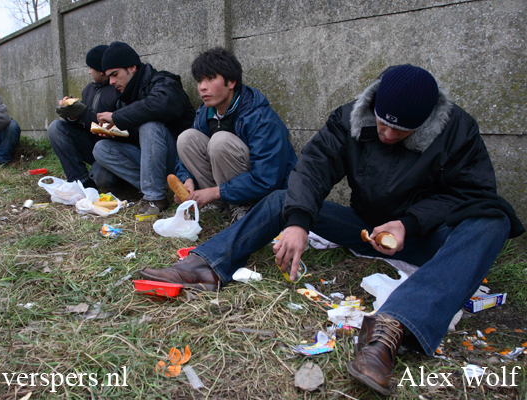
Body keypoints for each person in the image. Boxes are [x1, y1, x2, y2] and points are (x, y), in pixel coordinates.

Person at [139, 65, 524, 395]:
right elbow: (313, 167)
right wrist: (298, 221)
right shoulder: (351, 117)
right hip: (364, 227)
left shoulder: (456, 130)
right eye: (383, 124)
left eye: (401, 131)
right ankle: (207, 265)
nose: (388, 135)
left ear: (426, 124)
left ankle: (391, 330)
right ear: (372, 106)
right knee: (281, 198)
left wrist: (410, 223)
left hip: (427, 236)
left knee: (494, 219)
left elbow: (471, 193)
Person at [173, 47, 297, 220]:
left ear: (231, 82)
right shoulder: (204, 112)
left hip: (266, 195)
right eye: (199, 80)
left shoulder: (259, 117)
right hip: (225, 189)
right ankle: (218, 207)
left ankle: (244, 207)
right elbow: (184, 157)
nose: (202, 87)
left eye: (210, 79)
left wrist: (215, 191)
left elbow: (267, 178)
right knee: (186, 138)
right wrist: (186, 180)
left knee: (220, 141)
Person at [92, 41, 196, 215]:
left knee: (150, 125)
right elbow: (137, 139)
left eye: (115, 74)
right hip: (153, 164)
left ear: (132, 68)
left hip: (180, 161)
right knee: (101, 149)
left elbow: (161, 104)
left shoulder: (164, 81)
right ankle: (161, 187)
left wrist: (117, 117)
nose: (111, 82)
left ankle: (155, 198)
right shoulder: (124, 97)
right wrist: (115, 132)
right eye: (108, 77)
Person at [48, 44, 120, 189]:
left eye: (90, 68)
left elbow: (117, 129)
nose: (88, 72)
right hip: (91, 144)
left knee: (102, 178)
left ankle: (119, 180)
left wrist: (83, 112)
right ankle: (80, 182)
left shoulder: (118, 89)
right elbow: (84, 124)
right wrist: (73, 116)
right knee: (55, 128)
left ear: (101, 71)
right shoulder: (88, 90)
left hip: (112, 149)